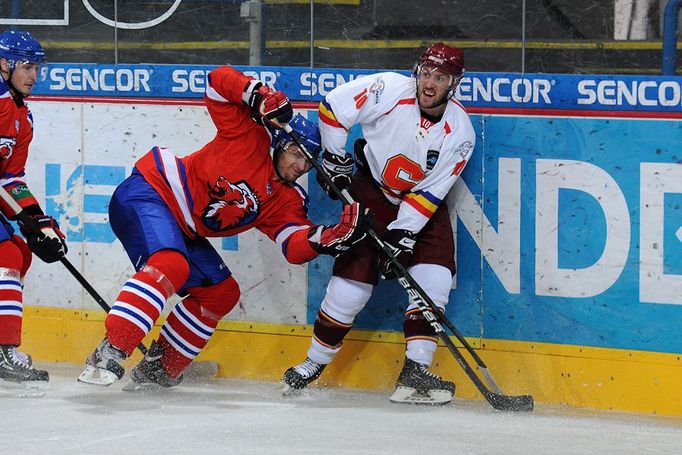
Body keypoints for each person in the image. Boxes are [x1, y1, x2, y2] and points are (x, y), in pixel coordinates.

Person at [78, 65, 371, 388]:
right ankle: (111, 350)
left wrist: (327, 237)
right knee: (170, 263)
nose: (300, 166)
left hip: (184, 229)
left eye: (307, 161)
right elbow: (217, 82)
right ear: (279, 143)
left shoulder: (286, 199)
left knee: (221, 293)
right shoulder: (249, 134)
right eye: (296, 154)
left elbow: (293, 245)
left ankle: (158, 368)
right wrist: (258, 94)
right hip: (151, 192)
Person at [283, 42, 476, 405]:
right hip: (370, 192)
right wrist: (336, 157)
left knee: (433, 281)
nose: (429, 84)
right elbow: (333, 107)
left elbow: (431, 192)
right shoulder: (388, 89)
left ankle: (415, 373)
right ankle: (314, 361)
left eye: (440, 77)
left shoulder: (460, 132)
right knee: (349, 290)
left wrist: (404, 233)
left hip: (421, 208)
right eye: (426, 73)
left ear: (454, 83)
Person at [0, 30, 68, 386]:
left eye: (36, 67)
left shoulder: (21, 117)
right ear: (4, 65)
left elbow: (11, 178)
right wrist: (23, 217)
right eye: (26, 66)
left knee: (20, 256)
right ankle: (5, 350)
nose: (33, 75)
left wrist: (39, 222)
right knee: (8, 257)